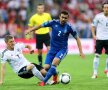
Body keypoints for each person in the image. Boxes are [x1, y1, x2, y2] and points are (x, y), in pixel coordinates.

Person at [25, 10, 85, 86]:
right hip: (52, 50)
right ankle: (55, 74)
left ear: (68, 18)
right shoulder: (53, 22)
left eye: (65, 18)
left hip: (62, 50)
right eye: (62, 17)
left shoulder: (69, 27)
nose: (63, 19)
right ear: (59, 16)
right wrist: (30, 30)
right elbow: (40, 25)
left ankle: (43, 82)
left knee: (54, 63)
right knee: (46, 67)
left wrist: (81, 51)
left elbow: (77, 38)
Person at [91, 1, 108, 79]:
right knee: (97, 56)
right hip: (100, 39)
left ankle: (107, 70)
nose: (106, 9)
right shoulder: (98, 16)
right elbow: (93, 26)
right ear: (102, 8)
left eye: (107, 7)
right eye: (105, 7)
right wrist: (94, 35)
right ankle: (95, 73)